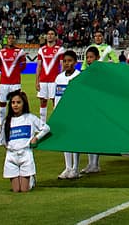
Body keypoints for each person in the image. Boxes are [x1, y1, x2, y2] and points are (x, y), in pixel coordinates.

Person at [2, 90, 50, 193]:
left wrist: (36, 138)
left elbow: (46, 128)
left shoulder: (30, 118)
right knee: (16, 190)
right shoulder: (7, 121)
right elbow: (2, 140)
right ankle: (20, 177)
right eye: (13, 103)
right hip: (11, 156)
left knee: (24, 190)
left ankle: (31, 180)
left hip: (25, 154)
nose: (15, 105)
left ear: (24, 104)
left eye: (18, 103)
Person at [53, 50, 82, 179]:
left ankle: (75, 168)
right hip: (62, 114)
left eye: (70, 61)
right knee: (64, 142)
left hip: (74, 113)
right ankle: (68, 167)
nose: (67, 63)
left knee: (74, 141)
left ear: (75, 62)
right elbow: (56, 96)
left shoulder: (78, 76)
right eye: (65, 61)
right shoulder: (59, 77)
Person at [0, 35, 28, 141]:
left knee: (16, 103)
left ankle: (15, 124)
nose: (11, 40)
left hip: (15, 83)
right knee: (2, 103)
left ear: (15, 40)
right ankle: (1, 125)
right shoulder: (1, 52)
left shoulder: (20, 52)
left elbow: (23, 65)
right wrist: (6, 73)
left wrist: (15, 72)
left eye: (13, 38)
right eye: (9, 38)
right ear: (6, 40)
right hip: (4, 82)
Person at [80, 46, 103, 174]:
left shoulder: (102, 73)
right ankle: (91, 163)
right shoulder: (86, 73)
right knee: (89, 135)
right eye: (87, 58)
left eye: (91, 57)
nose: (89, 60)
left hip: (98, 108)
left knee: (96, 135)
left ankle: (95, 164)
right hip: (89, 107)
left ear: (97, 58)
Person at [35, 28, 63, 118]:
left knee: (55, 101)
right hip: (43, 80)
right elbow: (39, 66)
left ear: (55, 37)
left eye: (52, 34)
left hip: (54, 80)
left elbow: (62, 65)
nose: (50, 35)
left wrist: (61, 79)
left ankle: (56, 123)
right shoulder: (41, 50)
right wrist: (37, 81)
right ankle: (42, 124)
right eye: (48, 34)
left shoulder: (60, 49)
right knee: (43, 101)